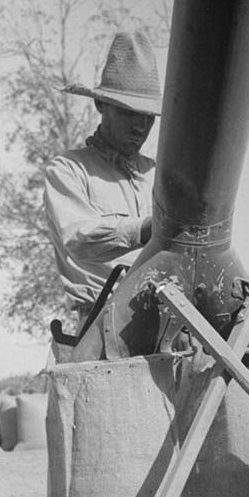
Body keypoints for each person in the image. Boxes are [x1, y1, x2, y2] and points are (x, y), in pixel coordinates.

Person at [43, 30, 162, 322]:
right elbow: (79, 240)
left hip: (167, 318)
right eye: (128, 113)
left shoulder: (159, 174)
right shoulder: (68, 170)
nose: (140, 126)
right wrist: (145, 229)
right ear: (100, 105)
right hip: (100, 323)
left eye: (148, 116)